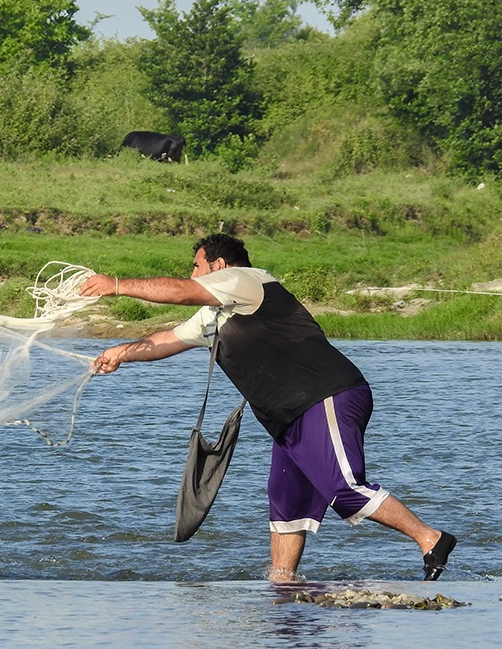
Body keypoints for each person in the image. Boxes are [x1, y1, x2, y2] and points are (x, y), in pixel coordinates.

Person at [80, 233, 457, 582]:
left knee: (344, 487)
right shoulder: (213, 315)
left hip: (324, 395)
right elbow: (166, 339)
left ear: (220, 265)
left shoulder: (245, 280)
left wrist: (116, 286)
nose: (191, 273)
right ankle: (283, 588)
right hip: (288, 419)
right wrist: (120, 353)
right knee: (286, 506)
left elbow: (180, 291)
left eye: (196, 265)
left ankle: (431, 538)